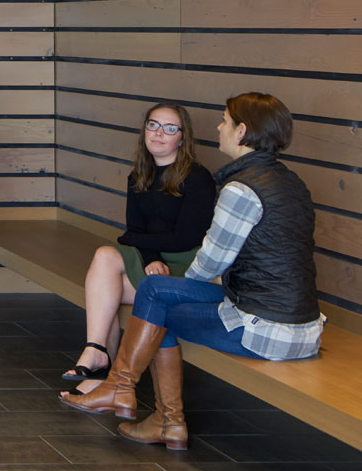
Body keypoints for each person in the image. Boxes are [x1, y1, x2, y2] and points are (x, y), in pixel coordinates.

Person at [60, 92, 325, 452]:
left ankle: (143, 403)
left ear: (242, 130)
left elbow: (210, 262)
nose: (219, 127)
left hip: (265, 328)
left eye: (225, 121)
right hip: (303, 324)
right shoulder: (291, 182)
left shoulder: (242, 189)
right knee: (157, 294)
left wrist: (168, 287)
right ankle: (146, 407)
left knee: (157, 297)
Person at [62, 102, 216, 381]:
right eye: (153, 125)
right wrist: (150, 257)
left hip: (186, 265)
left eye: (170, 128)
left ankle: (98, 368)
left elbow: (186, 237)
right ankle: (97, 361)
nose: (158, 133)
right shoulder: (139, 175)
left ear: (182, 137)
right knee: (106, 270)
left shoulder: (197, 178)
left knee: (105, 279)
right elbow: (134, 230)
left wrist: (139, 244)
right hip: (156, 259)